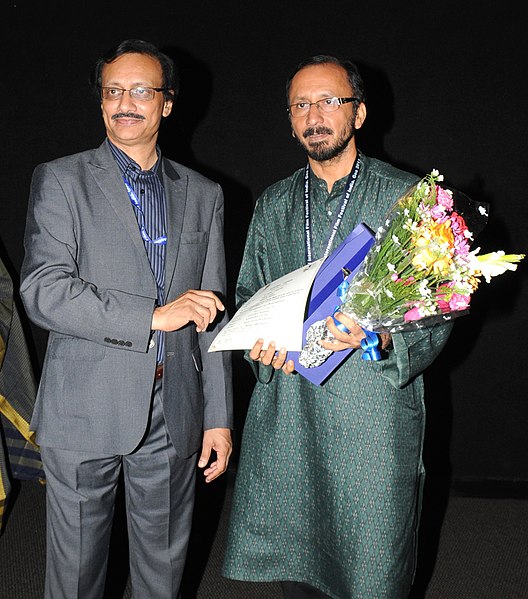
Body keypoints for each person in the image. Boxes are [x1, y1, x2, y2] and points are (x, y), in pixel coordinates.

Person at [222, 55, 452, 598]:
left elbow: (440, 306)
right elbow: (249, 295)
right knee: (295, 570)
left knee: (372, 569)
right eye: (301, 104)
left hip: (371, 416)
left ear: (360, 113)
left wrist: (390, 336)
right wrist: (260, 347)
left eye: (330, 101)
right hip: (288, 417)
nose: (314, 115)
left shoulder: (409, 198)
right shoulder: (274, 203)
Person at [20, 39, 233, 599]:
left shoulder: (205, 195)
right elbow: (42, 290)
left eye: (141, 90)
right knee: (76, 581)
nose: (125, 103)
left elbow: (209, 316)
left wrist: (218, 416)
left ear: (167, 103)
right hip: (84, 408)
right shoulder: (62, 180)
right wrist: (154, 316)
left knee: (162, 577)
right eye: (113, 91)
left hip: (175, 414)